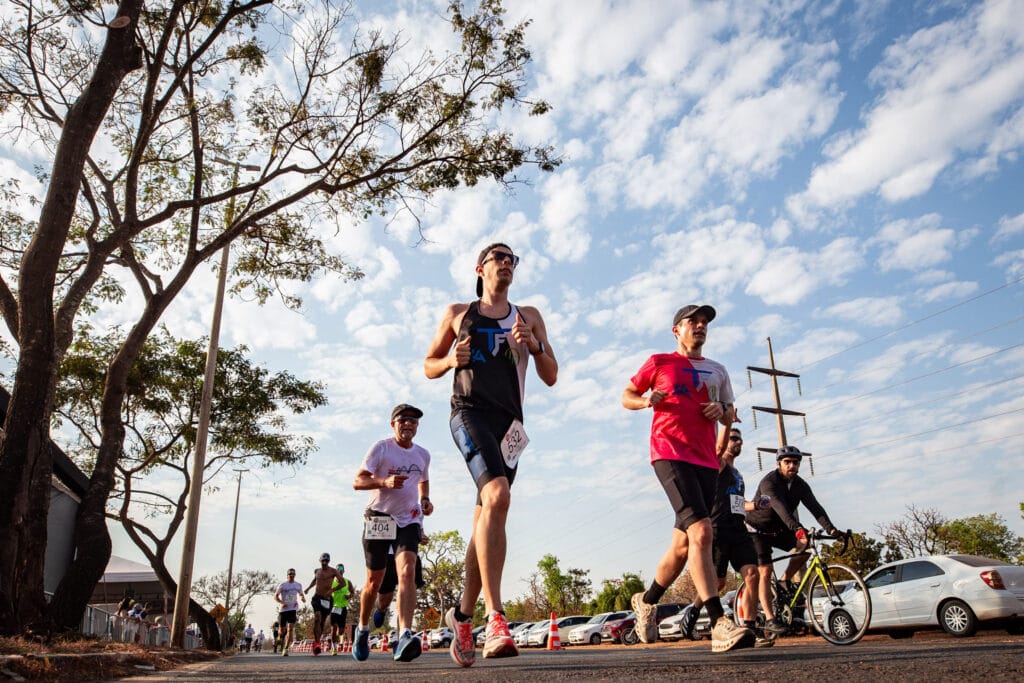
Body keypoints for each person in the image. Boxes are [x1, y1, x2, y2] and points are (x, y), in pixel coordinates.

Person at [424, 242, 557, 667]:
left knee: (486, 515)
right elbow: (428, 362)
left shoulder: (529, 316)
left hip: (509, 426)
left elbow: (551, 375)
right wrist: (449, 361)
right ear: (479, 268)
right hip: (468, 413)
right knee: (498, 496)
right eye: (498, 256)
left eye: (511, 258)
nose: (506, 262)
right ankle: (495, 617)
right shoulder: (458, 314)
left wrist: (533, 345)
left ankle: (462, 615)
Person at [621, 304, 754, 653]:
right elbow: (627, 396)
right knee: (702, 530)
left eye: (704, 322)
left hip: (705, 460)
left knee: (682, 546)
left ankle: (646, 601)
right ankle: (719, 623)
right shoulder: (659, 362)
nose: (699, 326)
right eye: (692, 321)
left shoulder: (718, 371)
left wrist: (721, 413)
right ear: (676, 330)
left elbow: (730, 413)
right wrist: (647, 399)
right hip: (668, 452)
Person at [678, 427, 783, 646]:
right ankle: (694, 609)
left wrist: (755, 505)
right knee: (717, 582)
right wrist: (725, 421)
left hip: (739, 530)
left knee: (752, 574)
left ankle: (750, 628)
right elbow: (717, 448)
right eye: (734, 438)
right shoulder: (718, 465)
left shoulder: (738, 475)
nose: (739, 442)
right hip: (717, 530)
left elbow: (737, 503)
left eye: (740, 439)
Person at [351, 404, 433, 663]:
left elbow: (423, 480)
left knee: (407, 572)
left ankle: (405, 634)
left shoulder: (423, 454)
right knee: (374, 582)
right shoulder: (382, 448)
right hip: (379, 517)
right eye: (403, 420)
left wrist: (426, 500)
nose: (408, 424)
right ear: (393, 424)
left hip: (407, 520)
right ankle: (362, 630)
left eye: (413, 421)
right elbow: (358, 481)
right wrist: (384, 482)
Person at [746, 445, 846, 626]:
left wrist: (832, 530)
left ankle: (784, 581)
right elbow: (780, 508)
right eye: (787, 462)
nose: (792, 466)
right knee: (766, 571)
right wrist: (798, 529)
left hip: (778, 529)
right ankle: (770, 619)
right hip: (757, 529)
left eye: (795, 463)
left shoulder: (800, 485)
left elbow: (815, 508)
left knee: (807, 546)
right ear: (779, 464)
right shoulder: (769, 482)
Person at [305, 552, 344, 655]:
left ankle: (316, 642)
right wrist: (308, 588)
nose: (324, 563)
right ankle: (317, 643)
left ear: (329, 561)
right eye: (323, 561)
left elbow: (342, 582)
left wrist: (332, 590)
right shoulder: (317, 571)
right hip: (317, 597)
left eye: (326, 561)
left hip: (327, 599)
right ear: (320, 561)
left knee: (321, 622)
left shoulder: (333, 571)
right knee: (317, 617)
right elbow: (315, 580)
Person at [273, 568, 305, 656]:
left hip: (292, 609)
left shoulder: (298, 585)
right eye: (290, 574)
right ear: (287, 575)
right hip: (283, 610)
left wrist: (302, 598)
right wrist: (281, 602)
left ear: (295, 575)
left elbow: (301, 593)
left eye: (293, 574)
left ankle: (286, 648)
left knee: (290, 629)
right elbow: (275, 596)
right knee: (282, 630)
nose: (291, 576)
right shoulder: (283, 585)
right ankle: (280, 636)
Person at [329, 563, 355, 655]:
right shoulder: (331, 582)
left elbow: (352, 592)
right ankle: (334, 647)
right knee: (334, 628)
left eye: (341, 569)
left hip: (343, 608)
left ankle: (335, 638)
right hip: (333, 607)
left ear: (343, 571)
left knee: (341, 631)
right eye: (338, 569)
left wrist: (349, 596)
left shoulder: (347, 582)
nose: (340, 570)